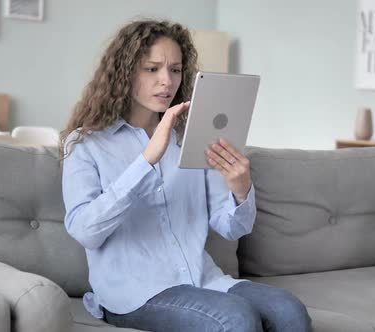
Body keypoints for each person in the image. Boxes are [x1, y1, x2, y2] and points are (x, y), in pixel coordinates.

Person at [61, 19, 312, 332]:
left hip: (203, 280)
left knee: (290, 311)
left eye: (175, 70)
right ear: (124, 72)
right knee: (235, 319)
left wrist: (240, 189)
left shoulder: (191, 137)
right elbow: (85, 230)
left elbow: (233, 227)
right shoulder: (86, 143)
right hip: (134, 292)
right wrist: (147, 159)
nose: (166, 81)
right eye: (152, 69)